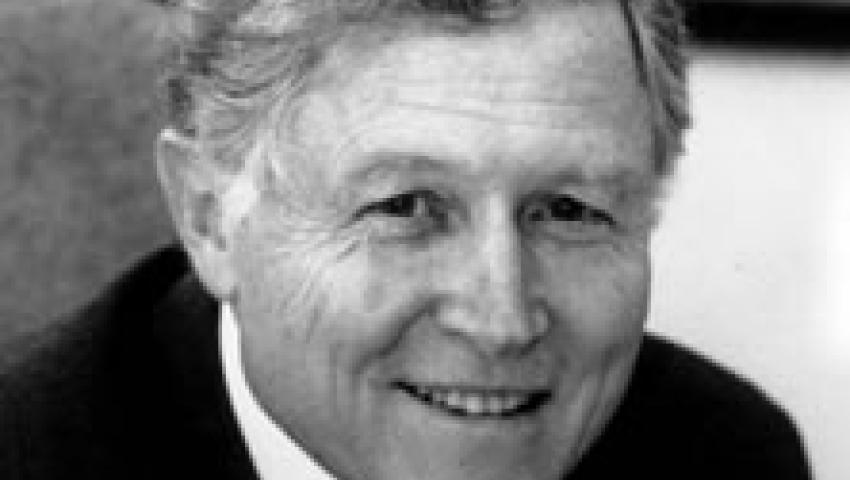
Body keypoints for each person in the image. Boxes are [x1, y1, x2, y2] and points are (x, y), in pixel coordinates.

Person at [0, 0, 812, 479]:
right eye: (407, 206)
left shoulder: (722, 458)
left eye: (568, 210)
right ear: (210, 217)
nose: (501, 322)